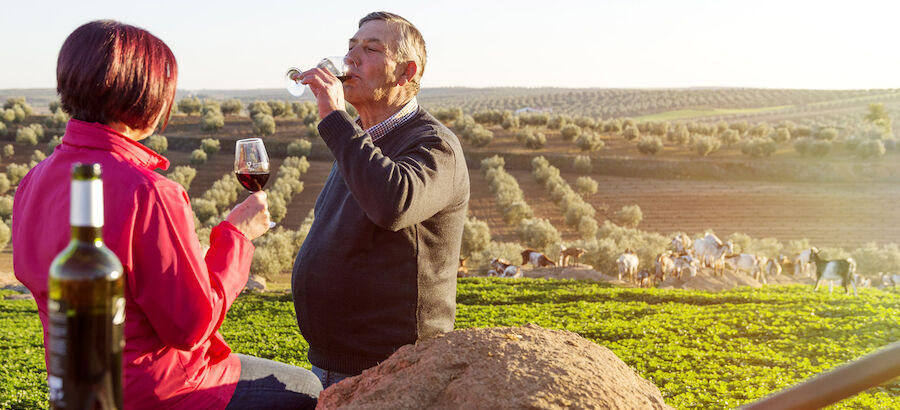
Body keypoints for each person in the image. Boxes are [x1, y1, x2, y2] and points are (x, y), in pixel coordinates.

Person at [12, 20, 321, 409]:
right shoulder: (151, 193)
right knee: (307, 389)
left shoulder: (35, 180)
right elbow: (189, 327)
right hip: (163, 392)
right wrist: (237, 237)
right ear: (145, 96)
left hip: (79, 386)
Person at [291, 11, 470, 388]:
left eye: (370, 49)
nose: (351, 59)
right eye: (351, 47)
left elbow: (394, 203)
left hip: (393, 369)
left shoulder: (435, 146)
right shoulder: (359, 139)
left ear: (406, 73)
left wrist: (332, 117)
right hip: (330, 363)